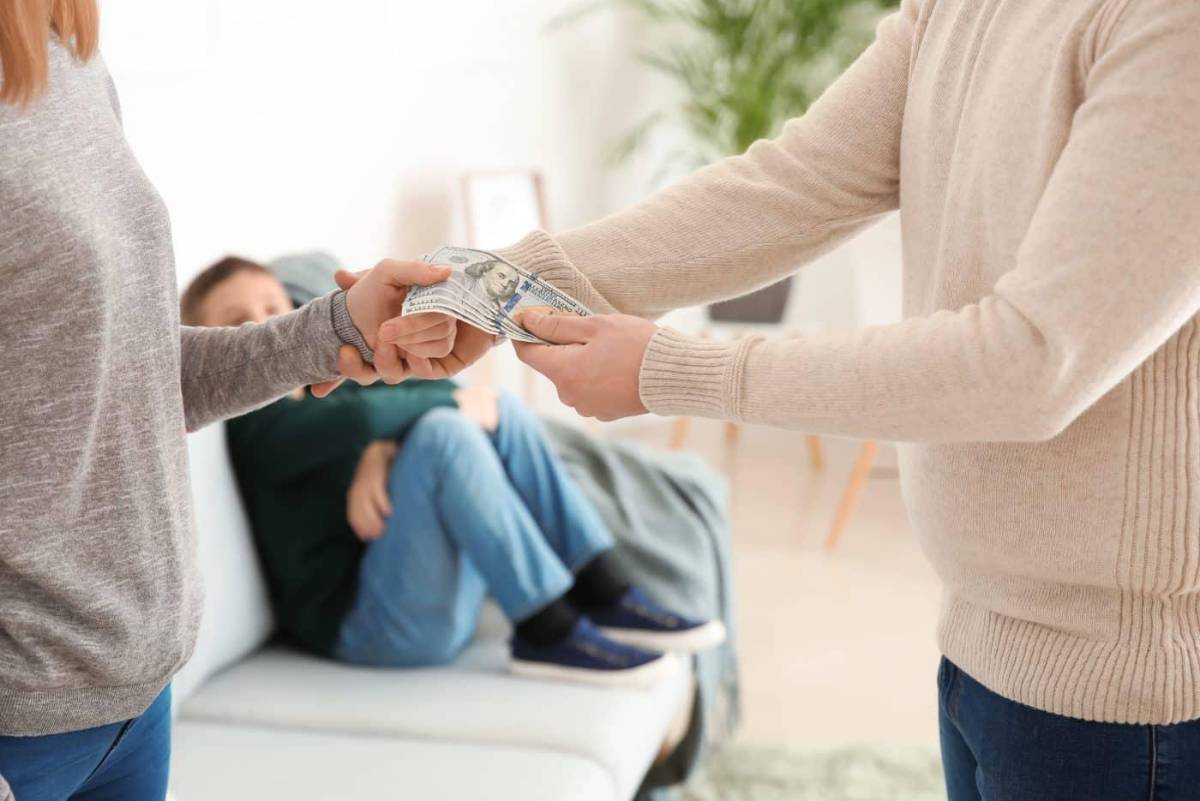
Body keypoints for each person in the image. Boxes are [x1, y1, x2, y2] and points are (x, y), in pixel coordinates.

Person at [377, 1, 1200, 799]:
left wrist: (675, 370)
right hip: (982, 640)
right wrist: (491, 287)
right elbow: (796, 184)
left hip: (1129, 700)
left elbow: (1032, 362)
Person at [0, 4, 485, 799]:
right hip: (21, 723)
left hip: (136, 691)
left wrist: (336, 328)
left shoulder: (69, 62)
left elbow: (128, 376)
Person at [181, 257, 723, 686]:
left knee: (500, 409)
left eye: (273, 306)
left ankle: (604, 590)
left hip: (427, 591)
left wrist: (384, 451)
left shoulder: (330, 385)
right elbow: (361, 419)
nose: (262, 325)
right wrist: (398, 430)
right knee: (447, 430)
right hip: (371, 628)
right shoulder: (252, 424)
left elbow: (410, 396)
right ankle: (545, 630)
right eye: (236, 322)